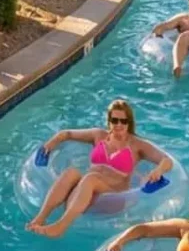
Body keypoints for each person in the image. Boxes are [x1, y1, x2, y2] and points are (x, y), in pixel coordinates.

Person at [28, 99, 178, 239]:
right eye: (115, 120)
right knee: (71, 173)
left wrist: (157, 171)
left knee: (90, 178)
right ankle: (40, 218)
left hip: (114, 196)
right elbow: (66, 134)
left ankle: (61, 226)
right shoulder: (99, 135)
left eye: (123, 121)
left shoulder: (137, 145)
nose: (119, 125)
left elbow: (166, 160)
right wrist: (50, 144)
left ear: (129, 123)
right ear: (109, 121)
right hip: (86, 192)